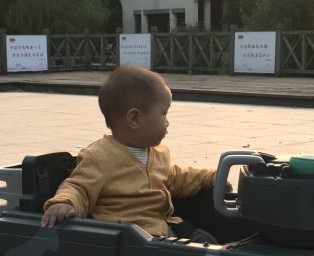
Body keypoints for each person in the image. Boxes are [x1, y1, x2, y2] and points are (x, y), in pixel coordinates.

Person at [41, 65, 217, 240]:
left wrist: (208, 178)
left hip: (164, 224)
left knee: (206, 240)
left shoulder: (158, 153)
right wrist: (65, 202)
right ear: (135, 119)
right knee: (199, 251)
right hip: (132, 237)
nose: (168, 122)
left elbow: (175, 177)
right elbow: (79, 186)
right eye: (164, 113)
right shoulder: (99, 156)